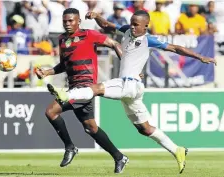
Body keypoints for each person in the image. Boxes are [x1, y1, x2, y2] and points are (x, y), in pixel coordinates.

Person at [48, 10, 216, 174]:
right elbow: (107, 25)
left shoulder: (148, 40)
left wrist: (200, 57)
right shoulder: (127, 31)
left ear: (146, 26)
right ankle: (177, 149)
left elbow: (176, 48)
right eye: (132, 24)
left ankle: (67, 95)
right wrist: (97, 16)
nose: (133, 27)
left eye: (136, 25)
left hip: (129, 85)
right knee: (144, 129)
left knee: (96, 88)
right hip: (131, 90)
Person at [35, 8, 128, 174]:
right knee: (90, 127)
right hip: (73, 87)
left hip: (86, 88)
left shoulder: (89, 35)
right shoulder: (63, 39)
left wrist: (127, 70)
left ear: (79, 21)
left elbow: (114, 43)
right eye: (65, 21)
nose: (68, 24)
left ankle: (70, 147)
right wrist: (47, 72)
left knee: (51, 111)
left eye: (71, 21)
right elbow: (64, 65)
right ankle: (119, 157)